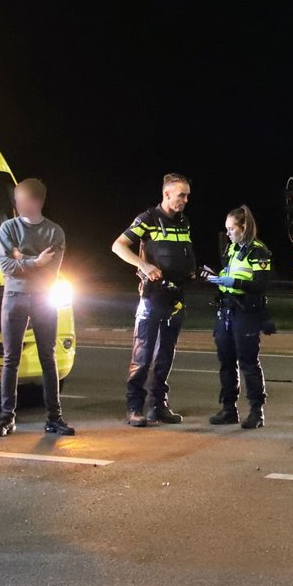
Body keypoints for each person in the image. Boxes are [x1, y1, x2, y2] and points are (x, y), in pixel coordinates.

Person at [112, 173, 196, 427]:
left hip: (176, 298)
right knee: (143, 355)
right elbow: (118, 246)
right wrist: (144, 266)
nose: (185, 200)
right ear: (167, 194)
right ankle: (134, 407)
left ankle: (158, 406)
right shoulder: (147, 219)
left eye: (187, 196)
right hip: (152, 297)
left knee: (165, 356)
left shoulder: (183, 222)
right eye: (181, 195)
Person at [0, 178, 73, 437]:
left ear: (36, 202)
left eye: (20, 200)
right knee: (10, 359)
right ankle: (6, 418)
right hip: (14, 297)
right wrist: (35, 262)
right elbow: (6, 268)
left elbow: (51, 271)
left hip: (42, 298)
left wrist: (20, 257)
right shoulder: (7, 228)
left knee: (47, 359)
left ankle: (54, 418)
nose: (16, 205)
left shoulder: (55, 232)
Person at [206, 205, 273, 429]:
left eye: (231, 229)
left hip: (246, 311)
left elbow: (260, 284)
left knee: (248, 362)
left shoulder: (258, 250)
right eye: (226, 229)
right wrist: (216, 278)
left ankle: (256, 411)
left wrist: (234, 283)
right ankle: (228, 409)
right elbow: (228, 273)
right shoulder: (232, 249)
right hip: (227, 310)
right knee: (226, 361)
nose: (228, 233)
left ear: (243, 228)